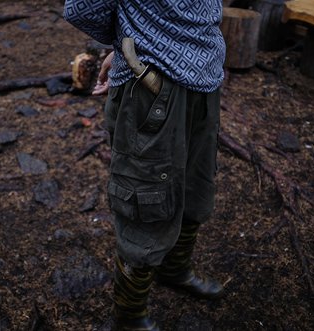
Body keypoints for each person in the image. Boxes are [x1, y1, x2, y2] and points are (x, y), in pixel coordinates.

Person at [64, 1, 226, 330]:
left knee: (196, 185)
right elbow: (82, 7)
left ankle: (174, 269)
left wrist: (133, 34)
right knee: (146, 196)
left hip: (206, 77)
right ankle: (129, 315)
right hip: (152, 88)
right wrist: (131, 41)